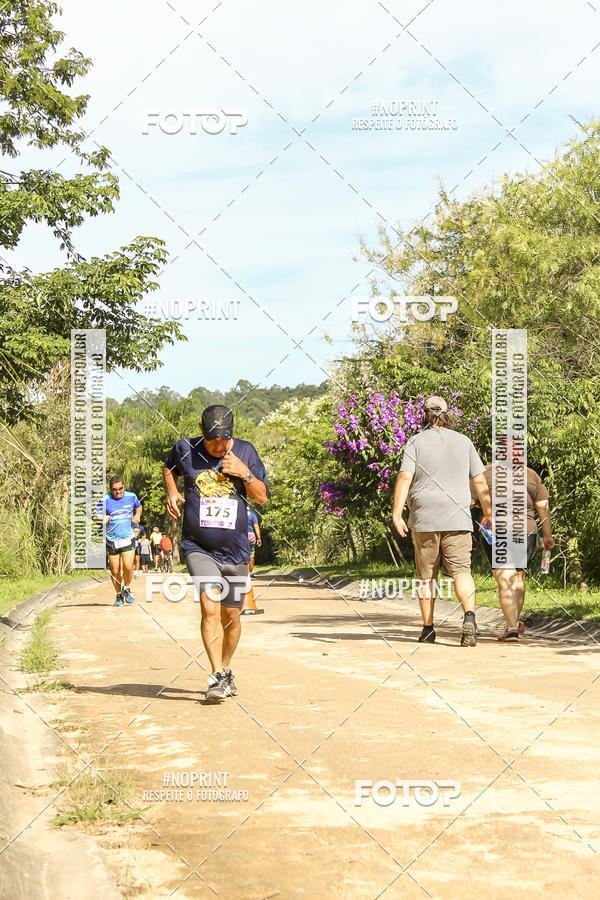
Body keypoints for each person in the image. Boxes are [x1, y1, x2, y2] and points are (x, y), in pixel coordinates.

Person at [163, 404, 268, 701]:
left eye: (225, 439)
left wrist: (245, 474)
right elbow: (168, 467)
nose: (219, 446)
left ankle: (226, 669)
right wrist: (171, 490)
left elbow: (260, 496)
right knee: (210, 607)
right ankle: (216, 675)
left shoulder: (246, 452)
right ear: (201, 431)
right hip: (199, 547)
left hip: (235, 551)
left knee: (232, 616)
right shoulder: (185, 448)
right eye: (213, 440)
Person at [392, 395, 492, 646]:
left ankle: (428, 629)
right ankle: (469, 617)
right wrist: (488, 511)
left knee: (426, 576)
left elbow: (404, 477)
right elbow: (479, 481)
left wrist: (397, 512)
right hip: (457, 515)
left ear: (424, 414)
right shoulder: (464, 441)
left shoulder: (415, 442)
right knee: (462, 571)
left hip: (425, 516)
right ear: (447, 414)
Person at [473, 461, 555, 641]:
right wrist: (547, 535)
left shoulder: (485, 472)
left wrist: (480, 505)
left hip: (497, 530)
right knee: (518, 576)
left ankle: (511, 628)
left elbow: (470, 500)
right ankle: (514, 623)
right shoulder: (531, 474)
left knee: (504, 577)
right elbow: (542, 506)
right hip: (526, 530)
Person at [94, 476, 142, 606]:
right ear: (111, 489)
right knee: (115, 571)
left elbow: (139, 506)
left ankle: (126, 588)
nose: (118, 492)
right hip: (112, 539)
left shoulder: (131, 496)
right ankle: (118, 594)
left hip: (128, 538)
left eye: (120, 489)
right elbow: (94, 515)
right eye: (115, 490)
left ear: (123, 487)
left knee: (127, 566)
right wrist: (101, 518)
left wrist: (137, 515)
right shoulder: (105, 499)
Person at [247, 506, 261, 574]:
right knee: (251, 555)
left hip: (242, 536)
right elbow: (256, 526)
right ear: (249, 505)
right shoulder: (252, 514)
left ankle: (242, 573)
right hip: (251, 536)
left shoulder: (239, 512)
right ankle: (250, 572)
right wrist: (259, 538)